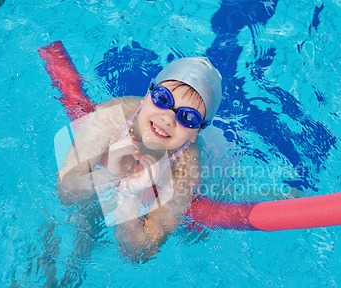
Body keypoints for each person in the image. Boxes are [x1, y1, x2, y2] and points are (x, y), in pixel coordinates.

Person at [58, 57, 222, 262]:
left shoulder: (185, 167)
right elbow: (65, 192)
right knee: (60, 238)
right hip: (93, 195)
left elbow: (139, 253)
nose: (168, 119)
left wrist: (128, 198)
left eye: (188, 117)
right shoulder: (112, 118)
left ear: (196, 132)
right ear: (147, 95)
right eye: (163, 99)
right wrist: (109, 174)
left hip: (142, 206)